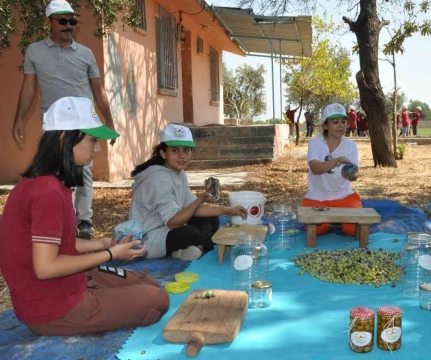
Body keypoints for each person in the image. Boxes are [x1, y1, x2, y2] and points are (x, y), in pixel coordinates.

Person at [0, 96, 169, 336]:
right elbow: (46, 267)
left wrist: (103, 243)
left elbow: (56, 244)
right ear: (63, 138)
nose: (98, 148)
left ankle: (97, 292)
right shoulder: (47, 192)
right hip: (53, 308)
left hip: (62, 286)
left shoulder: (49, 183)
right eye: (92, 140)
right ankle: (91, 305)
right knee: (157, 298)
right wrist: (109, 254)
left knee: (147, 281)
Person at [12, 0, 117, 240]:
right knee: (54, 171)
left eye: (72, 21)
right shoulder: (34, 51)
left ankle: (84, 220)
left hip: (84, 122)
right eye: (63, 21)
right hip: (54, 125)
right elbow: (28, 87)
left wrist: (109, 120)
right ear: (49, 22)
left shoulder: (86, 53)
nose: (68, 25)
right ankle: (62, 217)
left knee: (83, 171)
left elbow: (99, 90)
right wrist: (18, 118)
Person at [129, 124, 247, 261]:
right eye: (175, 150)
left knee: (211, 218)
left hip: (168, 228)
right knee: (189, 233)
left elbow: (192, 208)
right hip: (148, 238)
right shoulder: (158, 178)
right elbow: (173, 223)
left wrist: (228, 210)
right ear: (163, 153)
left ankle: (191, 250)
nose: (182, 156)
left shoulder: (179, 173)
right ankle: (196, 248)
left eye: (186, 150)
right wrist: (200, 200)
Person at [301, 103, 361, 236]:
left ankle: (338, 220)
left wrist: (352, 175)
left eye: (344, 122)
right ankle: (334, 220)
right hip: (317, 197)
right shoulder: (315, 143)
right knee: (317, 230)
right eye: (335, 122)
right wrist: (336, 161)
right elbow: (315, 168)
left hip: (343, 196)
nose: (341, 125)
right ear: (326, 125)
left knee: (354, 230)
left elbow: (354, 175)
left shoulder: (351, 146)